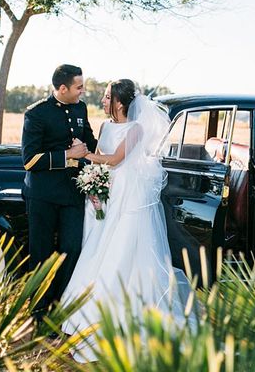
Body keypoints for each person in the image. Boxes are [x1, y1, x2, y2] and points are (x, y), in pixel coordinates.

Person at [60, 79, 193, 362]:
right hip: (106, 192)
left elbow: (116, 159)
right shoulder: (106, 126)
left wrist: (86, 155)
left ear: (120, 102)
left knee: (123, 247)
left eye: (108, 97)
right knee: (96, 244)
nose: (104, 100)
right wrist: (93, 184)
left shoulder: (136, 129)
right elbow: (102, 159)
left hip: (127, 195)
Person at [21, 64, 98, 317]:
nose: (82, 91)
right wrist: (68, 154)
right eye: (79, 87)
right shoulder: (36, 114)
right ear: (62, 88)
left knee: (72, 248)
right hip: (43, 195)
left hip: (72, 193)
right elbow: (30, 160)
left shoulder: (81, 107)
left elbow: (90, 141)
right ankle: (39, 312)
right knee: (41, 253)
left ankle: (61, 307)